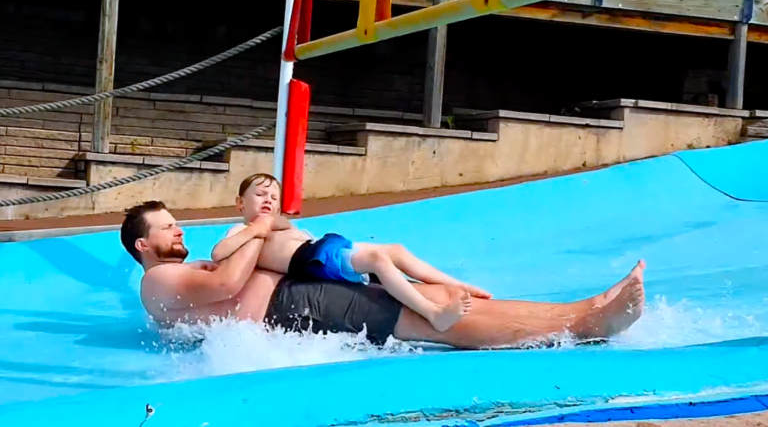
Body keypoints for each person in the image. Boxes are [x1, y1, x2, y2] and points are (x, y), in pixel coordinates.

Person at [121, 200, 646, 349]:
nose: (179, 232)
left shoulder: (183, 270)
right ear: (143, 245)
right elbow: (228, 287)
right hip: (295, 308)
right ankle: (582, 326)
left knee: (428, 296)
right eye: (167, 229)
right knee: (417, 317)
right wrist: (258, 230)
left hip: (302, 295)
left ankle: (583, 309)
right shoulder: (156, 282)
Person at [209, 173, 490, 332]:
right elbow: (218, 253)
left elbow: (279, 222)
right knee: (377, 260)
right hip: (310, 260)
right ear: (240, 203)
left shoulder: (276, 223)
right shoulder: (241, 230)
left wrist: (268, 222)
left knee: (396, 251)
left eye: (273, 197)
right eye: (260, 195)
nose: (268, 201)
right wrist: (254, 230)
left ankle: (458, 284)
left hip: (322, 247)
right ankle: (434, 313)